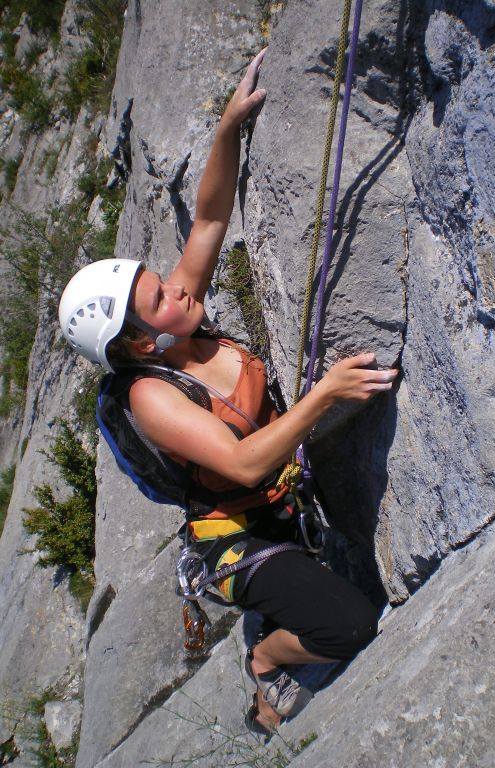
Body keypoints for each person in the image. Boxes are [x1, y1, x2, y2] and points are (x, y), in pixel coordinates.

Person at [59, 49, 399, 734]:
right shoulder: (152, 396)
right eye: (158, 298)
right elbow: (242, 465)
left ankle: (278, 615)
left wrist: (227, 128)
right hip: (235, 538)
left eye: (162, 280)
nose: (178, 288)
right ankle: (265, 660)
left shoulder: (178, 321)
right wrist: (325, 394)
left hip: (276, 507)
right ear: (136, 344)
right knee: (349, 625)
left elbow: (211, 219)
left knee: (317, 590)